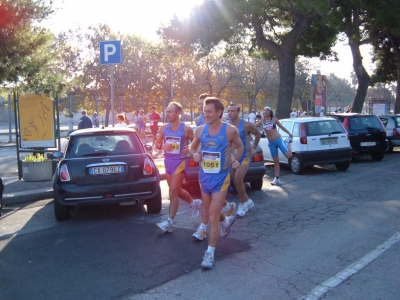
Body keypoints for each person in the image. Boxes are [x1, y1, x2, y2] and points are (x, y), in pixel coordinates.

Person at [189, 97, 243, 269]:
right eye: (204, 111)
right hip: (204, 178)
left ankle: (210, 254)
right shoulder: (199, 130)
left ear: (219, 112)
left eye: (209, 112)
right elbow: (192, 148)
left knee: (212, 214)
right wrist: (195, 155)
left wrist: (236, 160)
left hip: (221, 178)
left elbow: (240, 147)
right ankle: (227, 221)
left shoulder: (230, 130)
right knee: (211, 212)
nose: (206, 115)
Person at [155, 102, 202, 233]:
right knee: (176, 190)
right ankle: (194, 203)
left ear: (178, 113)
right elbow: (157, 143)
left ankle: (169, 222)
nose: (167, 114)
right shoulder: (164, 128)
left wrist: (190, 149)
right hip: (167, 161)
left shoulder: (186, 129)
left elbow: (196, 142)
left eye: (170, 111)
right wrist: (161, 146)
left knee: (173, 192)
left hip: (180, 163)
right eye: (166, 111)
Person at [227, 103, 261, 217]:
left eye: (232, 111)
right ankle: (247, 200)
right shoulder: (227, 126)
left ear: (238, 112)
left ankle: (242, 204)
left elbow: (258, 134)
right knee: (237, 182)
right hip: (232, 157)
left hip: (245, 156)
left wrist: (254, 147)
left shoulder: (246, 125)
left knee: (238, 180)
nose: (230, 113)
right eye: (228, 111)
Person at [255, 106, 293, 185]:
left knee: (288, 156)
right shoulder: (262, 121)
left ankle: (289, 142)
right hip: (271, 143)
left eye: (267, 110)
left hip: (278, 140)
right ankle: (277, 178)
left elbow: (282, 127)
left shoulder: (274, 120)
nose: (265, 111)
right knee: (276, 161)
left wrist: (289, 133)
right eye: (264, 110)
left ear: (270, 112)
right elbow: (253, 127)